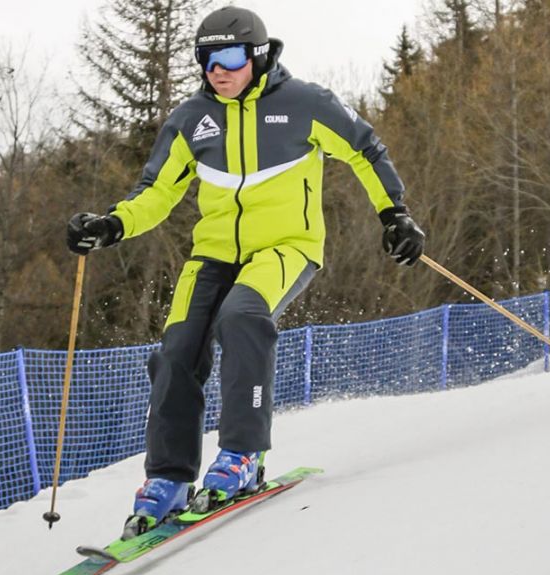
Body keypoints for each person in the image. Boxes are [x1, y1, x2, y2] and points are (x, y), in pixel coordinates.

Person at [66, 6, 424, 538]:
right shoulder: (190, 119)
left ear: (257, 55)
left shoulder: (305, 104)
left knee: (241, 317)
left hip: (287, 245)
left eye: (229, 57)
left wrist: (394, 213)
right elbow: (157, 192)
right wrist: (113, 224)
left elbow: (365, 150)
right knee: (176, 350)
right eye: (206, 60)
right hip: (212, 255)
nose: (218, 70)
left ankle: (243, 454)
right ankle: (168, 479)